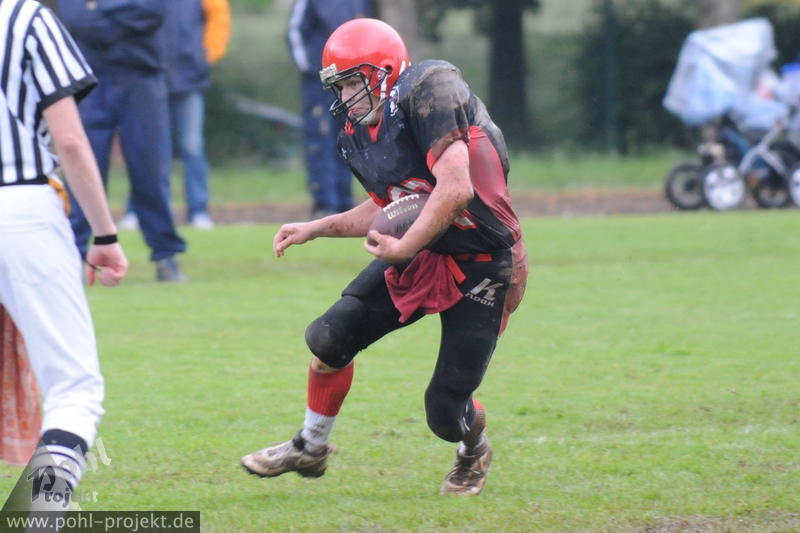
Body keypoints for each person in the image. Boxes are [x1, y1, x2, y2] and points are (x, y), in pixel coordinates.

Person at [241, 18, 529, 496]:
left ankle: (473, 447)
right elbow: (392, 205)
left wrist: (404, 246)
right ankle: (311, 446)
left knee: (444, 411)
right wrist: (318, 228)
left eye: (352, 82)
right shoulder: (358, 134)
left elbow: (456, 188)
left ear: (386, 72)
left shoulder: (431, 90)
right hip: (425, 249)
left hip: (485, 262)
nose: (345, 96)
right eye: (339, 85)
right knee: (329, 338)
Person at [0, 0, 128, 509]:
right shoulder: (25, 18)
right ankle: (40, 511)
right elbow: (70, 140)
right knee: (74, 387)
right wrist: (105, 234)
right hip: (21, 208)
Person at [57, 0, 188, 282]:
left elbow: (151, 12)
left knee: (150, 170)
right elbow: (74, 17)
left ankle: (165, 255)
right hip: (90, 82)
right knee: (83, 168)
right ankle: (73, 255)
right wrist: (121, 16)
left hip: (142, 77)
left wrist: (97, 13)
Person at [119, 0, 231, 230]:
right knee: (146, 147)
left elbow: (219, 19)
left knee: (192, 147)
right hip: (149, 78)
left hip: (189, 77)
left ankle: (198, 211)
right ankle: (138, 209)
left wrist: (206, 55)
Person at [287, 0, 372, 218]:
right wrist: (311, 67)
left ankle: (345, 202)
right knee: (320, 138)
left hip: (350, 80)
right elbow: (295, 31)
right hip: (319, 83)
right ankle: (324, 202)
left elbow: (364, 33)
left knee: (349, 137)